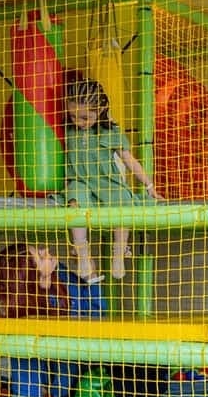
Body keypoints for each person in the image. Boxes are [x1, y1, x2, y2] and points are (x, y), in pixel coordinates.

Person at [61, 79, 161, 282]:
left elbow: (129, 159)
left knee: (122, 202)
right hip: (80, 181)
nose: (79, 122)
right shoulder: (67, 129)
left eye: (85, 117)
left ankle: (119, 251)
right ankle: (83, 254)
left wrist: (149, 185)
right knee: (74, 201)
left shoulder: (109, 130)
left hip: (107, 181)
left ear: (100, 111)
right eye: (73, 116)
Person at [0, 243, 105, 397]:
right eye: (39, 255)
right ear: (29, 273)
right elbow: (25, 368)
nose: (45, 251)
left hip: (81, 380)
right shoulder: (25, 315)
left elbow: (97, 312)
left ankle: (55, 396)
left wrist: (92, 277)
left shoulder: (60, 278)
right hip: (58, 389)